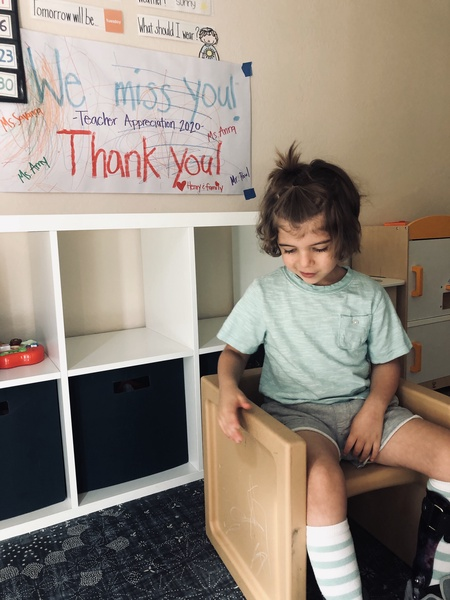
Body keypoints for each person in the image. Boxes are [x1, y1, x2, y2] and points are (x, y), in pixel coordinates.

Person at [216, 142, 450, 600]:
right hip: (297, 415)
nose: (304, 262)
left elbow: (388, 363)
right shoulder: (266, 293)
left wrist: (374, 408)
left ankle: (430, 583)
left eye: (318, 247)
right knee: (322, 481)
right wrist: (226, 388)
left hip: (367, 410)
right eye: (289, 250)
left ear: (342, 237)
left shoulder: (368, 295)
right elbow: (232, 355)